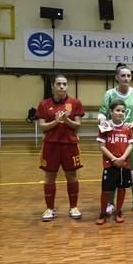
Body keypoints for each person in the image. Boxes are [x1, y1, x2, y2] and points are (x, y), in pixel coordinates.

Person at [99, 64, 133, 213]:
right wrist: (103, 122)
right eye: (123, 76)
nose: (126, 78)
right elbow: (102, 113)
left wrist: (131, 124)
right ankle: (110, 203)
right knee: (114, 169)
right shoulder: (109, 94)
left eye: (129, 76)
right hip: (113, 138)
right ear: (117, 77)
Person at [36, 74, 84, 222]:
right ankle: (50, 209)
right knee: (50, 177)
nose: (62, 87)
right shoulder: (44, 104)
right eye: (58, 84)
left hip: (69, 145)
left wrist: (66, 120)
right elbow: (42, 127)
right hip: (51, 145)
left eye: (64, 84)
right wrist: (56, 122)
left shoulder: (75, 103)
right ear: (53, 86)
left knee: (72, 176)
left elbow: (77, 125)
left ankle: (73, 207)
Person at [96, 100, 133, 225]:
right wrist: (113, 159)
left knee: (122, 189)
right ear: (111, 111)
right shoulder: (105, 126)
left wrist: (122, 158)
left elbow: (130, 145)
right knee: (106, 190)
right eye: (117, 110)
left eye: (123, 111)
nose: (120, 113)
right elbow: (102, 146)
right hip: (110, 164)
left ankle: (118, 211)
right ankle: (102, 213)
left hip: (124, 164)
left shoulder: (127, 128)